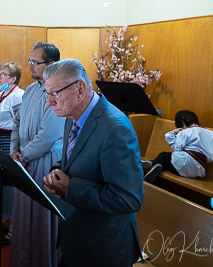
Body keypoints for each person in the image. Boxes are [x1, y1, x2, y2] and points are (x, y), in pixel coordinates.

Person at [42, 58, 145, 267]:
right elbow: (75, 156)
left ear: (79, 89)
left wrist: (70, 188)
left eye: (54, 94)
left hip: (103, 249)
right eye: (47, 94)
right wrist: (57, 171)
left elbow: (129, 199)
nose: (48, 102)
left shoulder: (116, 129)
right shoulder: (73, 114)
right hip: (76, 239)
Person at [9, 42, 65, 267]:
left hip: (44, 161)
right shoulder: (31, 90)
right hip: (23, 160)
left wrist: (23, 157)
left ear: (51, 64)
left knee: (41, 219)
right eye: (29, 60)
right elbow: (16, 123)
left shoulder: (57, 93)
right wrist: (13, 151)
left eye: (35, 62)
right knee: (23, 217)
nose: (30, 66)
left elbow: (48, 135)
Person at [0, 61, 24, 245]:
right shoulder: (3, 93)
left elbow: (19, 124)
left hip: (7, 142)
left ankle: (12, 228)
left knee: (9, 186)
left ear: (13, 78)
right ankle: (4, 222)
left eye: (3, 74)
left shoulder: (17, 96)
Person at [142, 110, 213, 183]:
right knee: (166, 163)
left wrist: (174, 133)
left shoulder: (186, 131)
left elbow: (176, 149)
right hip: (199, 169)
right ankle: (155, 165)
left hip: (185, 165)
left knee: (164, 156)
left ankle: (152, 164)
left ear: (183, 123)